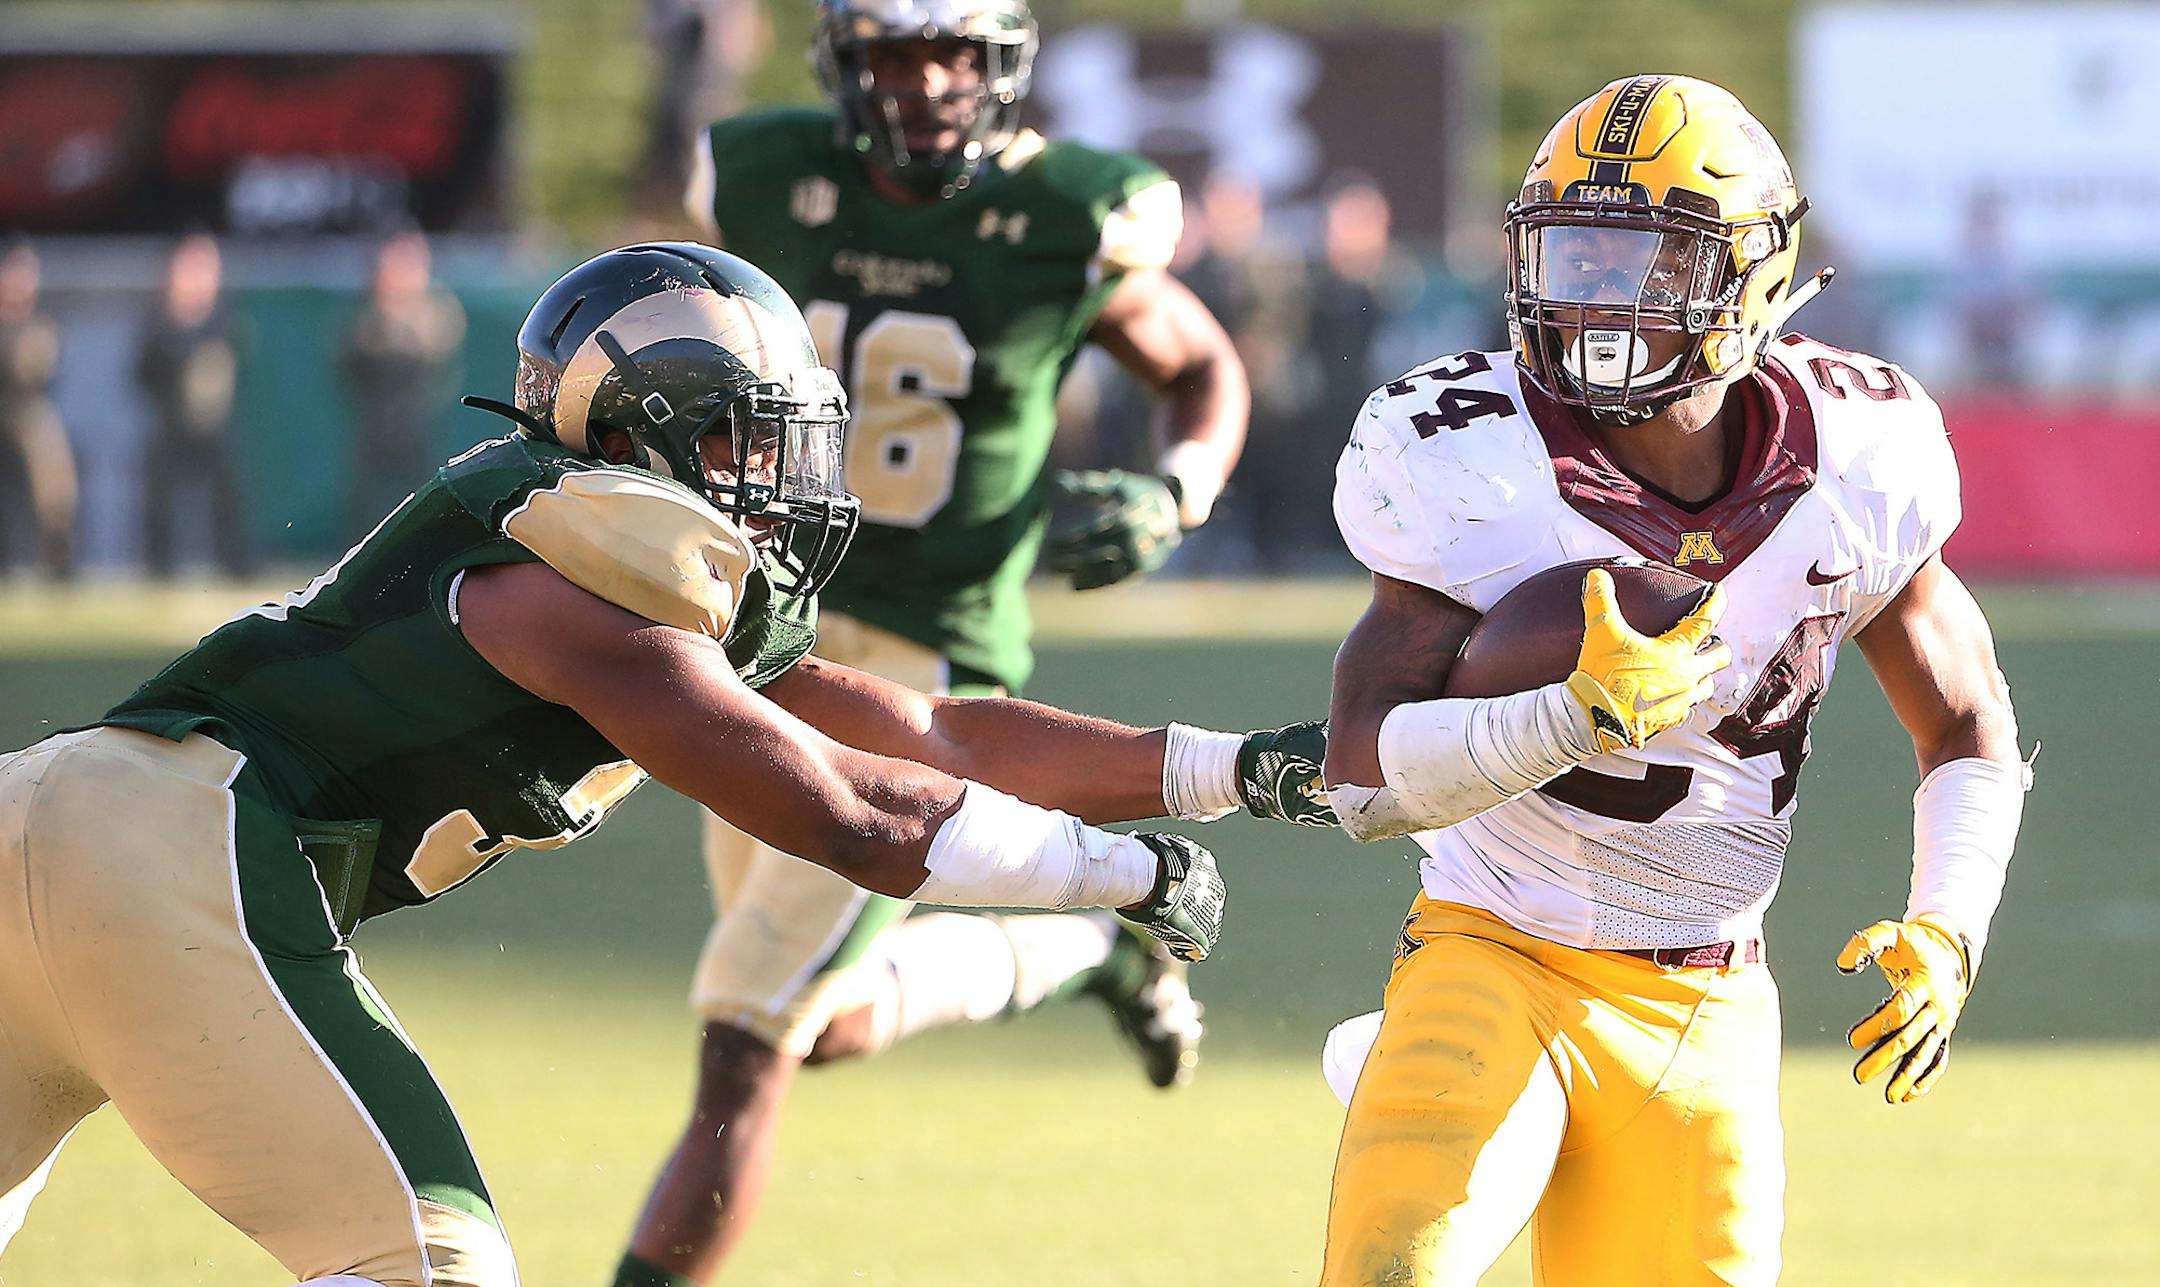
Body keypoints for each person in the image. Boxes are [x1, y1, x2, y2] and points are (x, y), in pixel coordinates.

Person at [0, 243, 1326, 1287]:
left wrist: (1227, 768)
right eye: (747, 438)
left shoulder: (587, 557)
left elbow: (936, 732)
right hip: (176, 848)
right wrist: (1119, 873)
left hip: (56, 818)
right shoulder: (592, 566)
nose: (782, 475)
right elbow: (851, 813)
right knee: (430, 1261)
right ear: (636, 440)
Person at [1315, 76, 2029, 1285]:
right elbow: (1360, 783)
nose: (1599, 295)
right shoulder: (1462, 451)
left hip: (1707, 999)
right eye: (1576, 253)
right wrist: (1566, 719)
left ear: (1753, 273)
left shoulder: (1865, 450)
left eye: (1648, 259)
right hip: (1495, 953)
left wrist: (1952, 925)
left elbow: (1966, 723)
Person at [620, 5, 1266, 1283]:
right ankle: (1080, 950)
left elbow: (1200, 364)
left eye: (952, 55)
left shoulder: (1064, 214)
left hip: (936, 654)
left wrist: (1178, 488)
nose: (925, 84)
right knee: (821, 1018)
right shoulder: (766, 177)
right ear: (846, 63)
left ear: (998, 64)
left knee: (745, 1032)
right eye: (896, 56)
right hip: (769, 635)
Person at [135, 232, 254, 577]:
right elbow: (141, 373)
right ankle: (159, 568)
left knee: (230, 488)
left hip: (215, 427)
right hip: (170, 424)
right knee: (159, 490)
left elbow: (243, 367)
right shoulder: (159, 321)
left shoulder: (226, 319)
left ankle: (235, 565)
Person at [340, 229, 466, 539]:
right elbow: (352, 357)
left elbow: (438, 355)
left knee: (429, 490)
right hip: (377, 419)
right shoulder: (369, 311)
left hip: (422, 420)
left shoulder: (435, 310)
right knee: (367, 497)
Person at [0, 239, 78, 579]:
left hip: (26, 413)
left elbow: (40, 377)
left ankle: (57, 553)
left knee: (45, 437)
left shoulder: (41, 322)